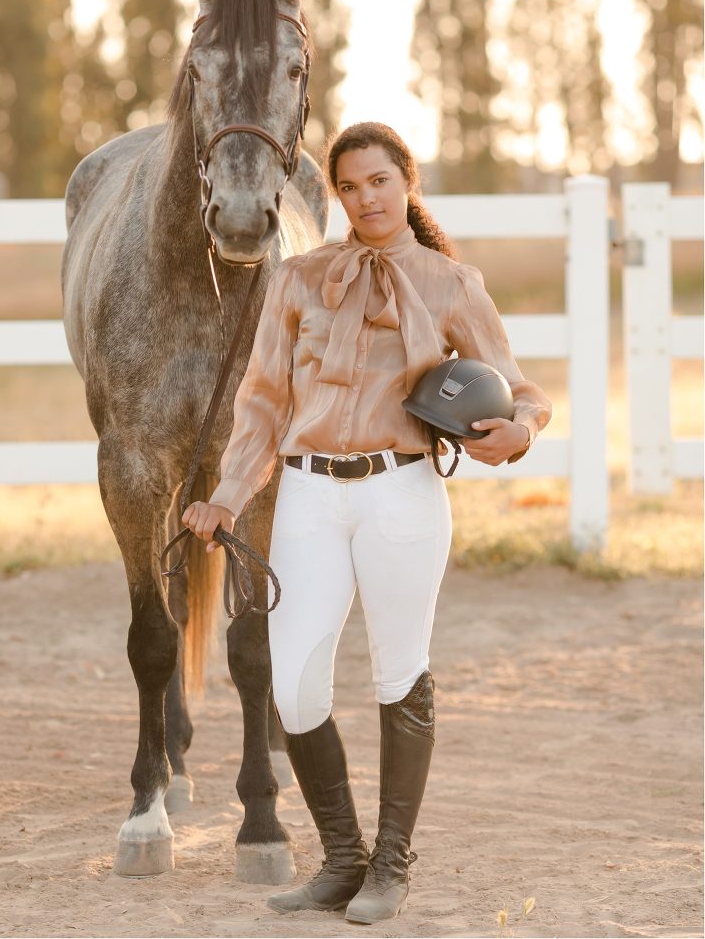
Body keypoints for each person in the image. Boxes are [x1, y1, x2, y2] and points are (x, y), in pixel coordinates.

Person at [183, 121, 551, 923]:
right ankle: (342, 858)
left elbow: (520, 387)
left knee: (398, 671)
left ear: (405, 181)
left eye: (379, 180)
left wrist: (520, 431)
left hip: (402, 495)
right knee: (297, 686)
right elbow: (262, 404)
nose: (365, 198)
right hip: (310, 496)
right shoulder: (298, 281)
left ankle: (391, 861)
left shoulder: (453, 282)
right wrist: (228, 494)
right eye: (349, 187)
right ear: (335, 195)